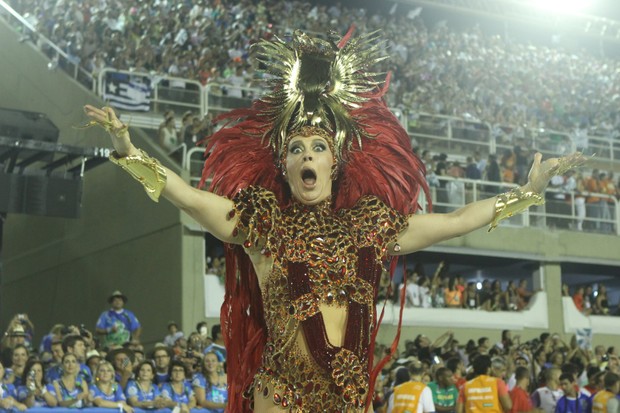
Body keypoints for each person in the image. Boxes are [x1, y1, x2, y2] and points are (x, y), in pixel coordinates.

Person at [84, 27, 585, 413]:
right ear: (285, 165)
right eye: (296, 149)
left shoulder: (370, 227)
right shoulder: (264, 225)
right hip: (281, 396)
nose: (307, 155)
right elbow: (191, 198)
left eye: (318, 147)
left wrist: (525, 194)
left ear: (334, 161)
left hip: (350, 399)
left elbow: (455, 220)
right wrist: (130, 154)